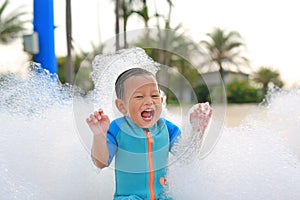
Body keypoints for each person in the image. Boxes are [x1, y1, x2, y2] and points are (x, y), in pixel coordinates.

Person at [86, 67, 212, 200]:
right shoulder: (118, 128)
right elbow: (101, 163)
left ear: (161, 101)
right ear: (122, 106)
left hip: (162, 197)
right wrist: (99, 135)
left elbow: (186, 157)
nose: (149, 101)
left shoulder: (167, 128)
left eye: (154, 95)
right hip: (129, 197)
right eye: (139, 96)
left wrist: (197, 131)